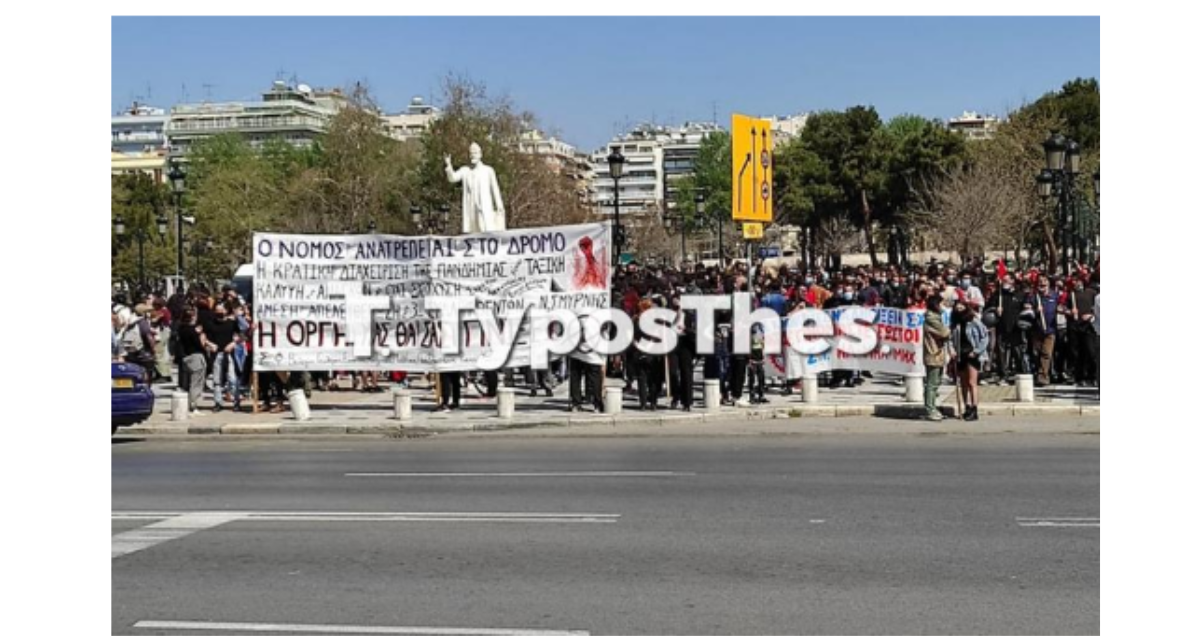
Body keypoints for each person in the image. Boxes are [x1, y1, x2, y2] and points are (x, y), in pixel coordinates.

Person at [951, 301, 989, 421]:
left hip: (972, 354)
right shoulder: (955, 322)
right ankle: (966, 406)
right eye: (957, 305)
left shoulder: (974, 321)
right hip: (960, 354)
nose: (959, 307)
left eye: (961, 305)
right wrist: (952, 350)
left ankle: (974, 408)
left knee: (972, 382)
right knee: (963, 383)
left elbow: (985, 336)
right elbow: (950, 339)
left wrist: (977, 351)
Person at [175, 306, 212, 415]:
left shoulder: (180, 329)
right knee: (196, 383)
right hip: (196, 357)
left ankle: (187, 405)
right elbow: (198, 345)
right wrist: (202, 339)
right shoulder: (192, 331)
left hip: (185, 357)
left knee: (187, 383)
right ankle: (193, 405)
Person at [206, 302, 241, 412]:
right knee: (217, 380)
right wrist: (210, 344)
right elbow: (203, 337)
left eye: (221, 310)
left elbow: (240, 336)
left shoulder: (232, 323)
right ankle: (218, 402)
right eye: (217, 310)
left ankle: (236, 402)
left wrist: (233, 344)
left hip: (229, 354)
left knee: (232, 379)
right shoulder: (210, 323)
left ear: (226, 311)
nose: (219, 312)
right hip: (216, 354)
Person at [922, 294, 951, 421]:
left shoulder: (936, 317)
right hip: (933, 353)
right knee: (932, 383)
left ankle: (933, 406)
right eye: (941, 303)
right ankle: (930, 409)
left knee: (936, 382)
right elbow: (945, 332)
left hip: (938, 353)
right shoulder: (931, 318)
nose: (943, 306)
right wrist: (948, 330)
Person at [1028, 275, 1058, 387]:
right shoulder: (1033, 297)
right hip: (1037, 330)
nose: (1042, 283)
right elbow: (1027, 308)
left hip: (1050, 330)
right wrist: (1035, 310)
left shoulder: (1054, 296)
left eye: (1045, 281)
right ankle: (1038, 373)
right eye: (1040, 281)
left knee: (1046, 353)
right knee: (1036, 353)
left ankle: (1043, 376)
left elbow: (1061, 306)